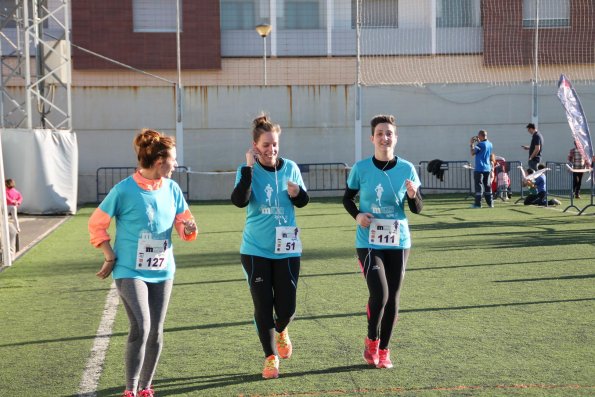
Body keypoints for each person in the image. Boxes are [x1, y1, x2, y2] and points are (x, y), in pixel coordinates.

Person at [88, 128, 197, 397]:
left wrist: (188, 228)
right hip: (129, 270)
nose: (176, 164)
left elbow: (185, 226)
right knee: (142, 326)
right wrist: (109, 254)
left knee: (157, 331)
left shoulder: (172, 189)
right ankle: (130, 389)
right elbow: (96, 223)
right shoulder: (123, 190)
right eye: (173, 158)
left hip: (163, 271)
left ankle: (146, 388)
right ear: (160, 160)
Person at [231, 114, 309, 379]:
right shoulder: (247, 171)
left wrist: (298, 194)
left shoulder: (291, 168)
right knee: (263, 305)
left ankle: (282, 329)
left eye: (274, 144)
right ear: (255, 146)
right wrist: (248, 170)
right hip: (255, 250)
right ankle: (270, 357)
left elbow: (303, 202)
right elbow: (239, 201)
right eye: (265, 145)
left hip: (287, 248)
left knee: (286, 308)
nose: (271, 149)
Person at [342, 114, 423, 369]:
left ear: (395, 138)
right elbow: (347, 198)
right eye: (380, 133)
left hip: (398, 241)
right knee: (380, 293)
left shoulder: (407, 169)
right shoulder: (361, 168)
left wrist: (412, 195)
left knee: (393, 298)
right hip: (369, 240)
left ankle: (385, 350)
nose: (384, 137)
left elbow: (417, 208)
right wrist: (357, 215)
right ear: (372, 138)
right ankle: (372, 339)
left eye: (389, 133)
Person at [469, 130, 494, 208]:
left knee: (478, 186)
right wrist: (478, 142)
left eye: (478, 136)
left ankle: (478, 204)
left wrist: (471, 144)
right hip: (487, 168)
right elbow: (485, 152)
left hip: (479, 168)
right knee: (487, 186)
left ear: (480, 136)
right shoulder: (490, 144)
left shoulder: (480, 145)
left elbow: (472, 153)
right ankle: (490, 203)